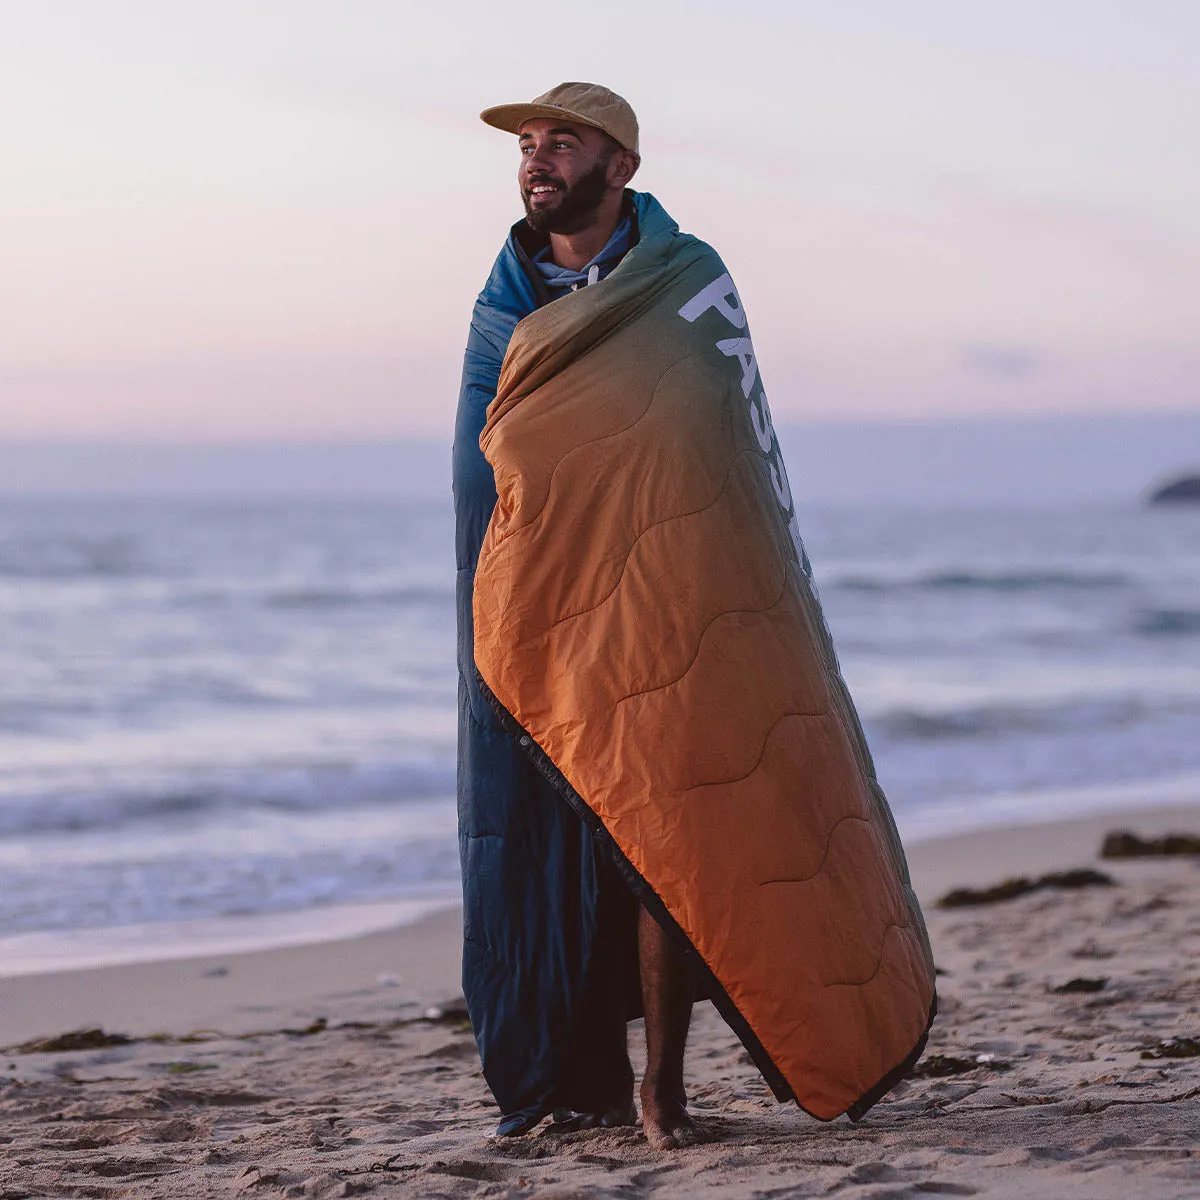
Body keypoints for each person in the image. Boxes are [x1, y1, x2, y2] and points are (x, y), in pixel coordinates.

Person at [453, 82, 935, 1151]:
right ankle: (562, 1083)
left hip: (678, 604)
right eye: (528, 146)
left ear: (618, 165)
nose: (536, 161)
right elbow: (489, 467)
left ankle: (661, 1091)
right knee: (542, 838)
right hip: (551, 607)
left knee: (675, 831)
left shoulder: (684, 284)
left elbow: (720, 447)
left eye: (560, 144)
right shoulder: (506, 304)